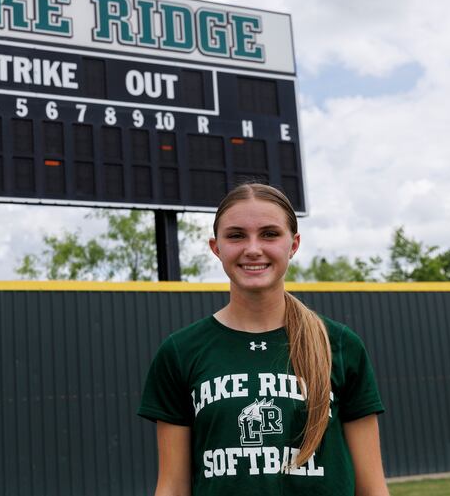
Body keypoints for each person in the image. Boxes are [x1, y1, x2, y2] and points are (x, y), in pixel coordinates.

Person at [138, 183, 388, 496]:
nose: (253, 248)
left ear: (293, 244)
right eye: (236, 235)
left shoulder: (338, 344)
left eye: (269, 234)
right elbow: (173, 487)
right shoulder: (181, 351)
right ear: (216, 247)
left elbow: (372, 487)